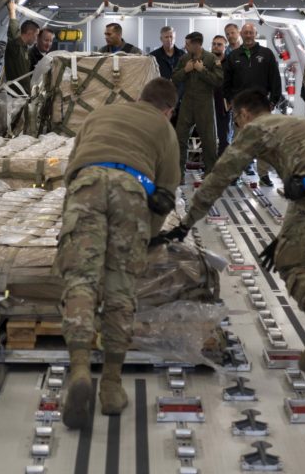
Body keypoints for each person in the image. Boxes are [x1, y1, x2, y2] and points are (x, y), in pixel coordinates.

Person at [157, 89, 305, 378]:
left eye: (237, 119)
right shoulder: (297, 123)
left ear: (243, 114)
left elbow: (221, 176)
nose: (238, 126)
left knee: (293, 264)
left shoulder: (256, 128)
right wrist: (285, 235)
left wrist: (185, 223)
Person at [57, 78, 180, 429]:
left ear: (139, 97)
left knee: (81, 279)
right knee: (120, 287)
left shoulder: (103, 112)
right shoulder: (164, 129)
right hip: (131, 189)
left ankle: (79, 370)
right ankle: (111, 385)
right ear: (168, 110)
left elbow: (72, 166)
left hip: (87, 184)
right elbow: (166, 194)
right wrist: (148, 236)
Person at [222, 22, 282, 186]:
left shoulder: (267, 54)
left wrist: (273, 101)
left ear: (255, 34)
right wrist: (232, 102)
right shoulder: (233, 56)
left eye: (251, 33)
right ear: (241, 34)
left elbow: (275, 79)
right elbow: (226, 83)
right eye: (245, 33)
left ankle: (263, 175)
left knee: (264, 142)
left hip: (262, 106)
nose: (248, 36)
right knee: (239, 141)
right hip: (241, 107)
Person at [173, 31, 223, 177]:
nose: (185, 46)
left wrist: (202, 70)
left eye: (187, 44)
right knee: (180, 138)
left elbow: (218, 81)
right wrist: (185, 70)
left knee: (209, 141)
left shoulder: (211, 59)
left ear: (196, 44)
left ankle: (210, 175)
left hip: (205, 103)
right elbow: (175, 78)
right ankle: (178, 175)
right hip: (187, 102)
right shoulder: (184, 58)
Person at [149, 26, 186, 124]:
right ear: (161, 39)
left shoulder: (183, 55)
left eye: (171, 37)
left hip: (180, 100)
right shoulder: (153, 56)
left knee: (179, 132)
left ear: (175, 38)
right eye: (166, 37)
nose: (169, 40)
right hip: (161, 100)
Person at [5, 0, 40, 83]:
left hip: (24, 92)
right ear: (29, 33)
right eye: (36, 35)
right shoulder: (16, 46)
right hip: (16, 93)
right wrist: (12, 10)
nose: (37, 39)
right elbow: (13, 32)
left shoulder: (24, 48)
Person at [210, 34, 231, 155]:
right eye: (214, 44)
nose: (216, 47)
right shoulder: (205, 61)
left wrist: (231, 101)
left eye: (219, 44)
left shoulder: (230, 63)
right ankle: (208, 165)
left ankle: (222, 166)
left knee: (224, 137)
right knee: (208, 136)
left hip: (223, 104)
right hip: (207, 103)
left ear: (225, 47)